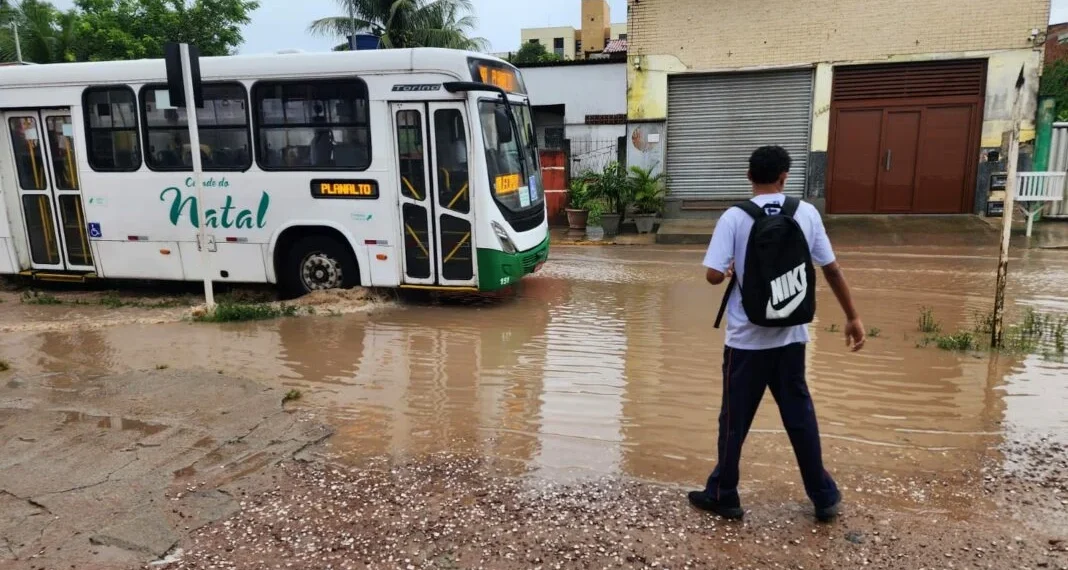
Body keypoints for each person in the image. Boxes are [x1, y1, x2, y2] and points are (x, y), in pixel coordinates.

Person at [689, 145, 865, 523]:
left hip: (745, 341)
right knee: (800, 418)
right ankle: (823, 496)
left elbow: (713, 275)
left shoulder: (735, 217)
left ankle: (724, 494)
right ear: (784, 177)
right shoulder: (806, 213)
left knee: (734, 422)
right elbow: (831, 269)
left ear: (749, 177)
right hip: (792, 338)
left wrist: (731, 268)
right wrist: (852, 317)